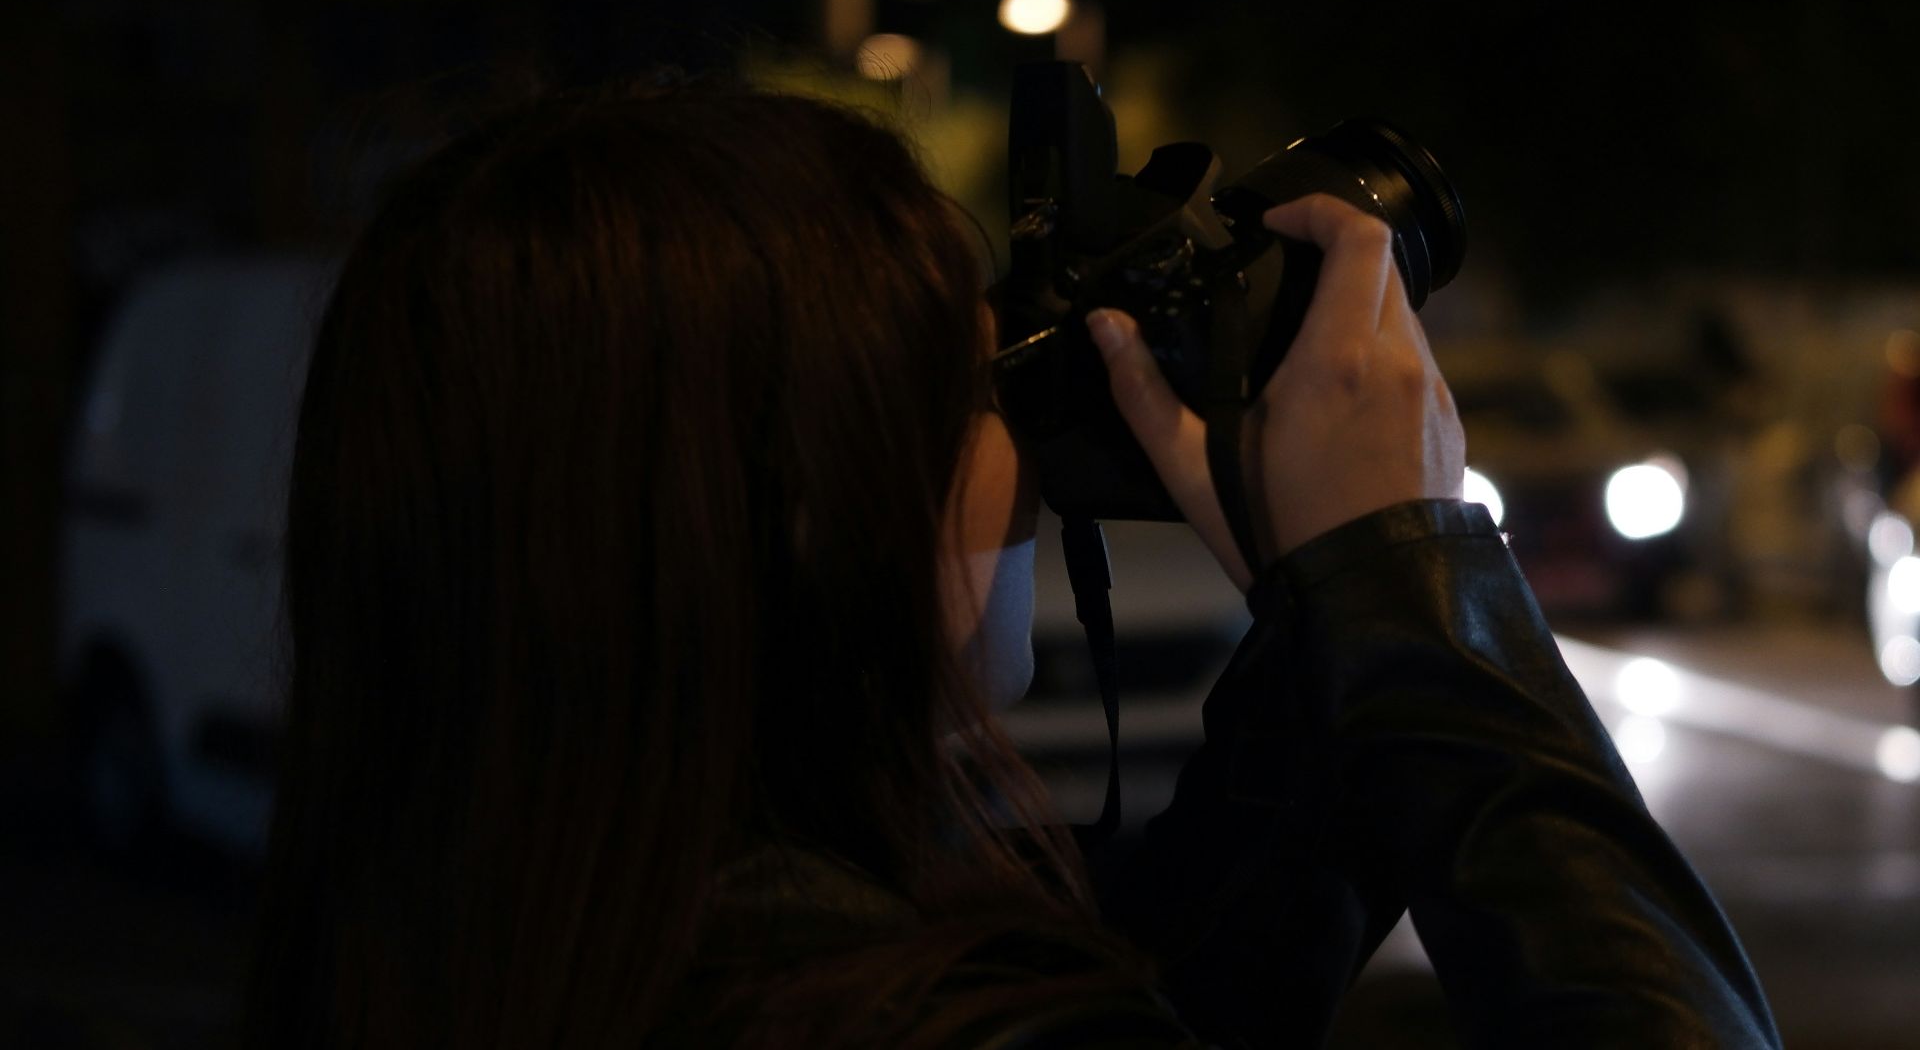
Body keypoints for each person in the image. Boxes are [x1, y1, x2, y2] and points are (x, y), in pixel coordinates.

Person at [243, 76, 1780, 1048]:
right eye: (971, 390)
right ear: (797, 507)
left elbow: (1175, 1005)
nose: (1023, 453)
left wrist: (1330, 645)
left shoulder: (451, 936)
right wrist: (1414, 576)